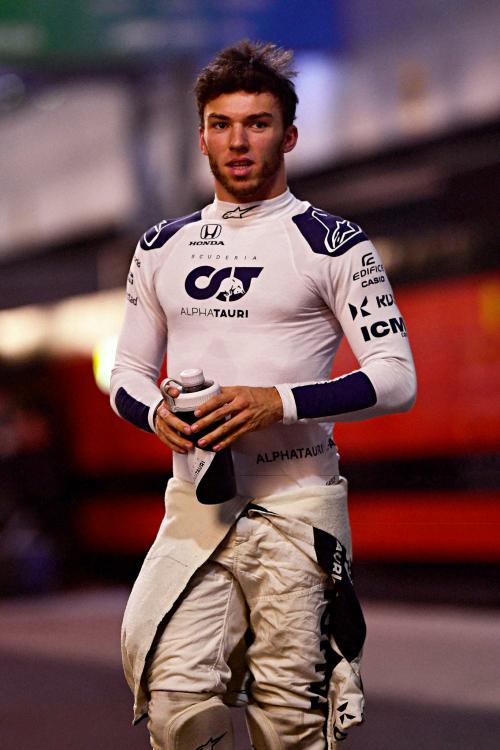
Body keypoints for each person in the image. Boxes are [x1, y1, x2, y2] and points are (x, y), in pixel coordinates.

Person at [111, 40, 416, 750]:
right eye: (222, 124)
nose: (238, 140)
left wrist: (274, 401)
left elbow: (397, 376)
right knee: (173, 706)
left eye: (257, 123)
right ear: (202, 136)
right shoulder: (161, 245)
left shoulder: (334, 242)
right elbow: (125, 370)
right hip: (195, 507)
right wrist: (155, 412)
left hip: (297, 510)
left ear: (290, 134)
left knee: (291, 727)